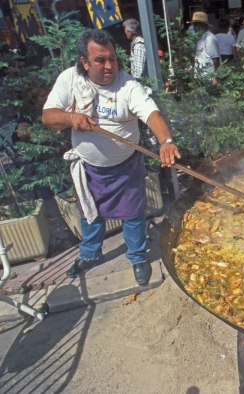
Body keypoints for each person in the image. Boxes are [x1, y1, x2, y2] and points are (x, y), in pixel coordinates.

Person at [41, 30, 181, 285]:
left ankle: (137, 257)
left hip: (126, 165)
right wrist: (72, 118)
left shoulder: (128, 85)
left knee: (133, 214)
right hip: (89, 167)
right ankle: (90, 255)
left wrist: (166, 142)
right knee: (89, 213)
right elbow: (48, 115)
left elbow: (152, 114)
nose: (109, 66)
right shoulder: (70, 80)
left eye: (113, 59)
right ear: (84, 62)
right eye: (100, 60)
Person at [188, 12, 221, 83]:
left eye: (196, 24)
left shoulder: (209, 38)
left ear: (203, 25)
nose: (194, 27)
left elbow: (215, 59)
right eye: (194, 24)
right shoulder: (200, 37)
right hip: (201, 76)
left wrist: (215, 77)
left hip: (209, 77)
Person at [16, 78, 49, 143]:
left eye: (47, 94)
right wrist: (46, 133)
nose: (47, 97)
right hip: (26, 147)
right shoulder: (28, 112)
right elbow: (21, 132)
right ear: (34, 100)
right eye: (42, 96)